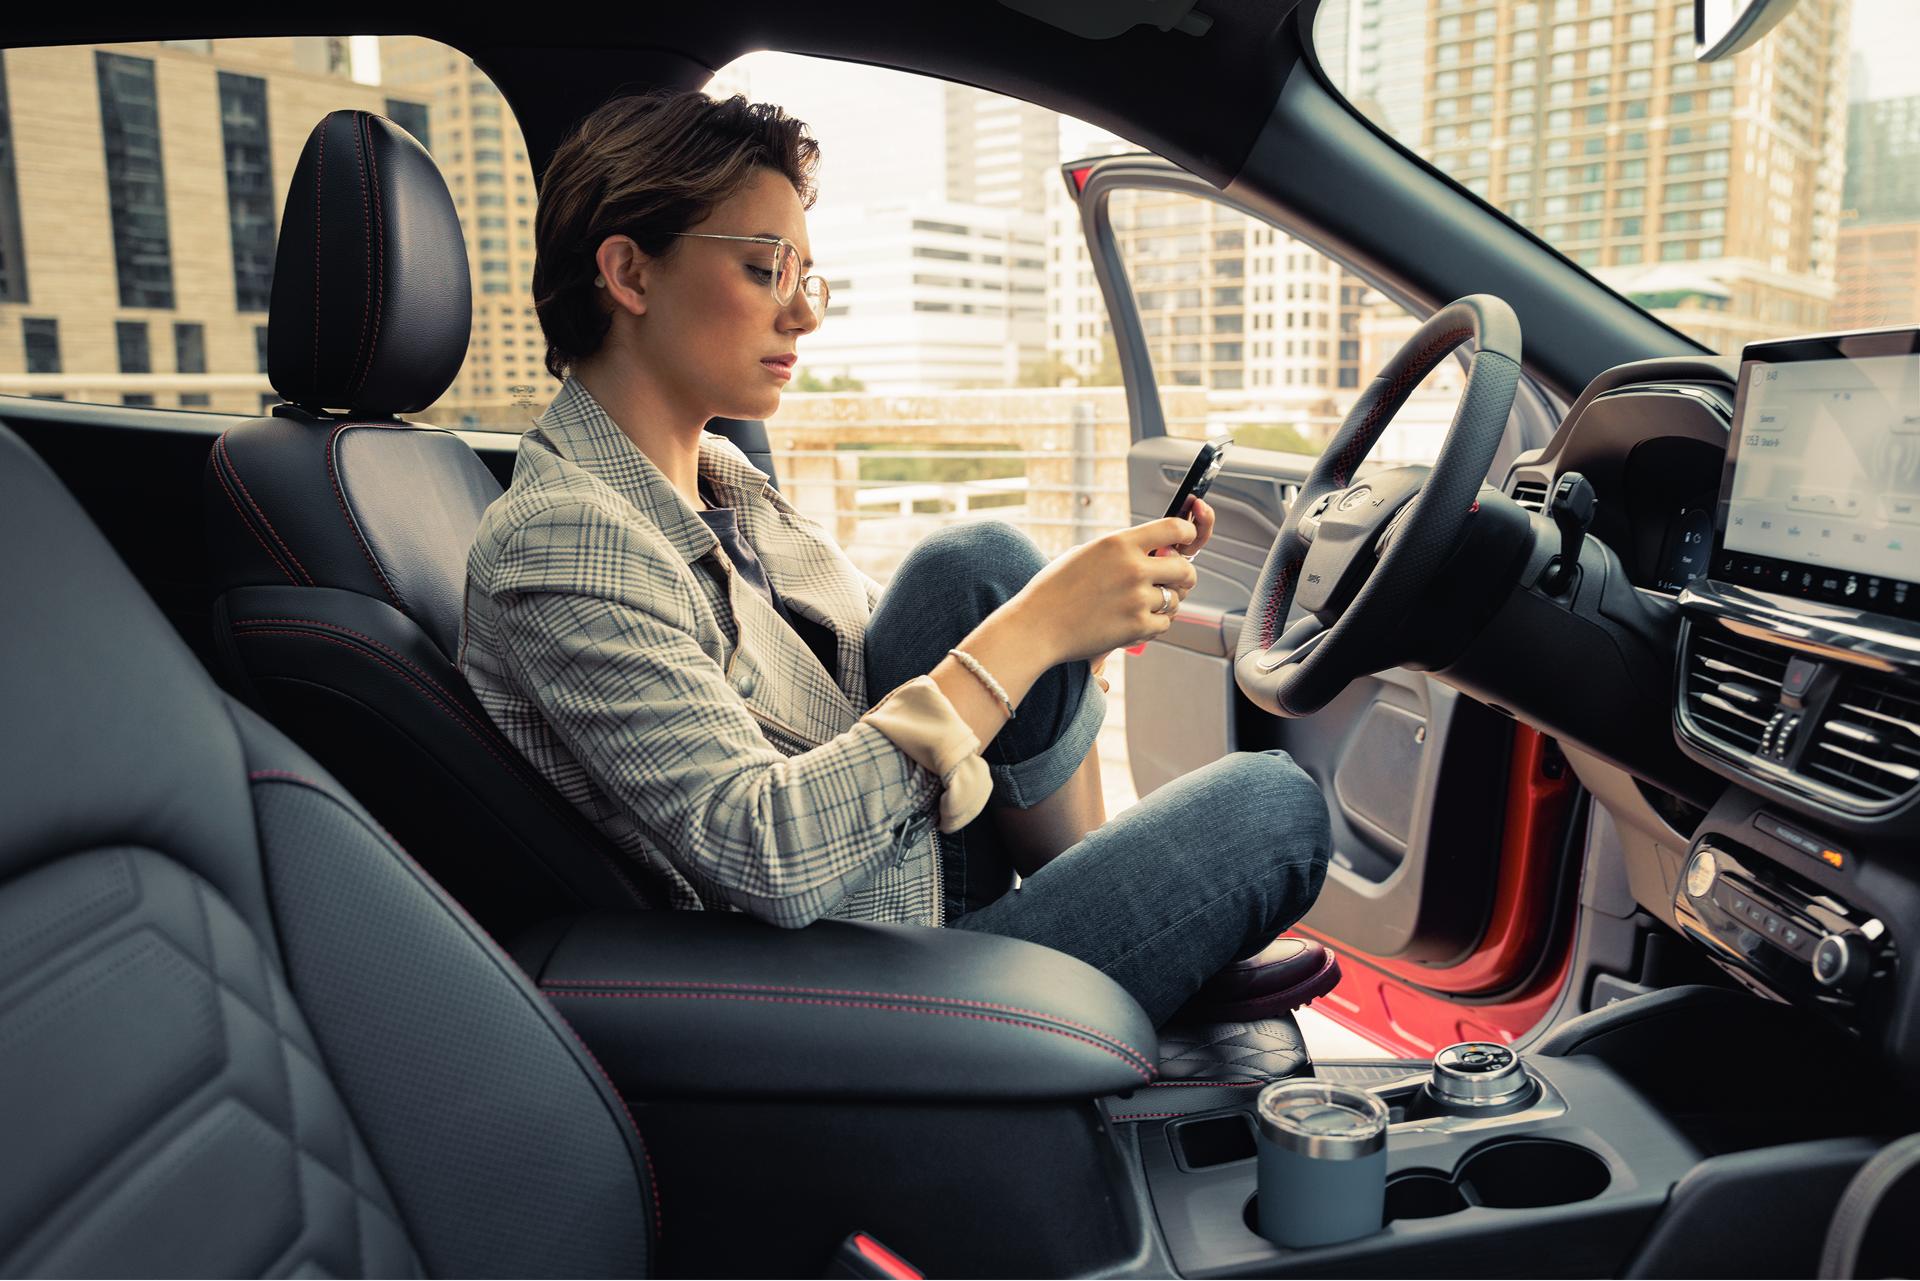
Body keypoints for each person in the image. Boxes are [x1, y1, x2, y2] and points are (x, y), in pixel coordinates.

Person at [457, 89, 1336, 1027]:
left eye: (808, 277)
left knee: (980, 562)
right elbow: (764, 852)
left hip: (892, 876)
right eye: (764, 270)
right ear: (629, 274)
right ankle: (1107, 963)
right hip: (831, 979)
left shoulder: (721, 481)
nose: (804, 316)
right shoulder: (561, 540)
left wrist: (1068, 611)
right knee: (1272, 808)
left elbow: (917, 646)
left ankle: (1105, 932)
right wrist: (1037, 632)